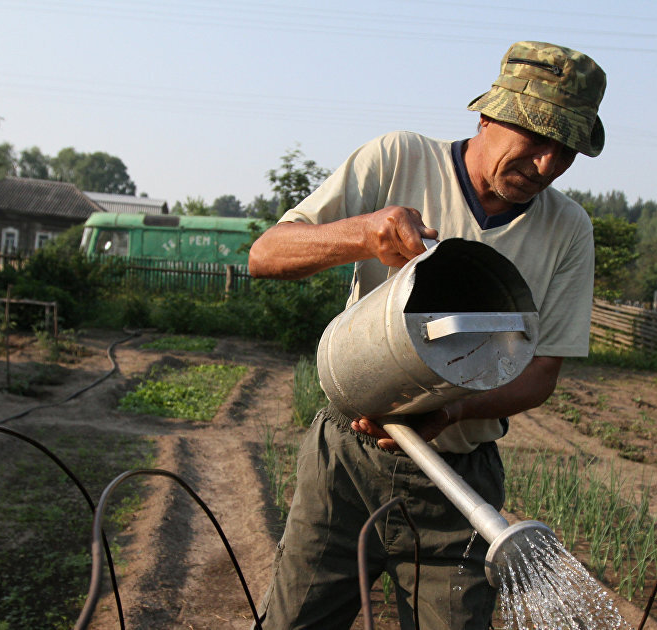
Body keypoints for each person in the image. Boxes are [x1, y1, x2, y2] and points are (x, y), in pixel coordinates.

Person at [248, 40, 606, 630]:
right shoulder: (399, 159)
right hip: (346, 460)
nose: (545, 165)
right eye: (536, 140)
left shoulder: (567, 229)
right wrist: (361, 234)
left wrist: (454, 407)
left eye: (564, 151)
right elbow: (266, 254)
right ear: (488, 115)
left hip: (459, 482)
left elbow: (541, 373)